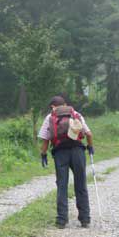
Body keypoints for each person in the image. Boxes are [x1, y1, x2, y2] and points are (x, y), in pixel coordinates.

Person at [38, 95, 95, 229]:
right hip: (78, 151)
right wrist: (90, 147)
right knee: (81, 184)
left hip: (60, 153)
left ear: (53, 106)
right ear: (65, 104)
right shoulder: (75, 114)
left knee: (62, 185)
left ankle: (61, 220)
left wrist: (43, 154)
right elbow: (89, 134)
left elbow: (45, 139)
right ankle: (85, 219)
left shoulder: (50, 117)